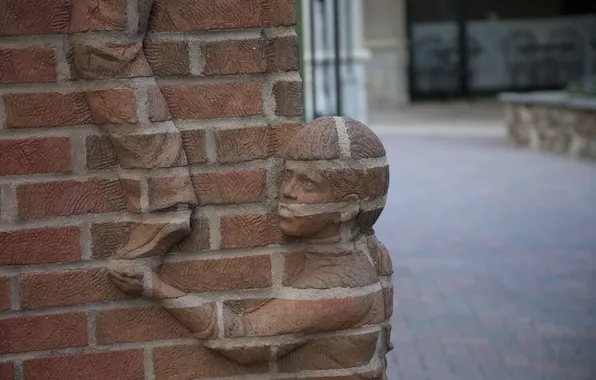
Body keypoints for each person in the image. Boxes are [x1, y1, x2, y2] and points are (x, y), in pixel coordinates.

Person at [108, 117, 393, 376]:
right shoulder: (370, 250)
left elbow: (243, 339)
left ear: (347, 207)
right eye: (288, 175)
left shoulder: (339, 287)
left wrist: (153, 287)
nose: (287, 191)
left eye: (307, 184)